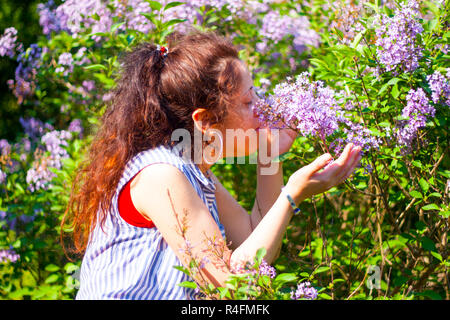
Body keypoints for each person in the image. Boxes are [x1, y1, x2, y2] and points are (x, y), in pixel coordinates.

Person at [62, 31, 362, 300]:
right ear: (205, 122)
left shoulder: (194, 171)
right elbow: (232, 288)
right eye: (248, 102)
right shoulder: (162, 176)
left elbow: (253, 236)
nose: (263, 108)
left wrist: (270, 155)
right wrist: (292, 195)